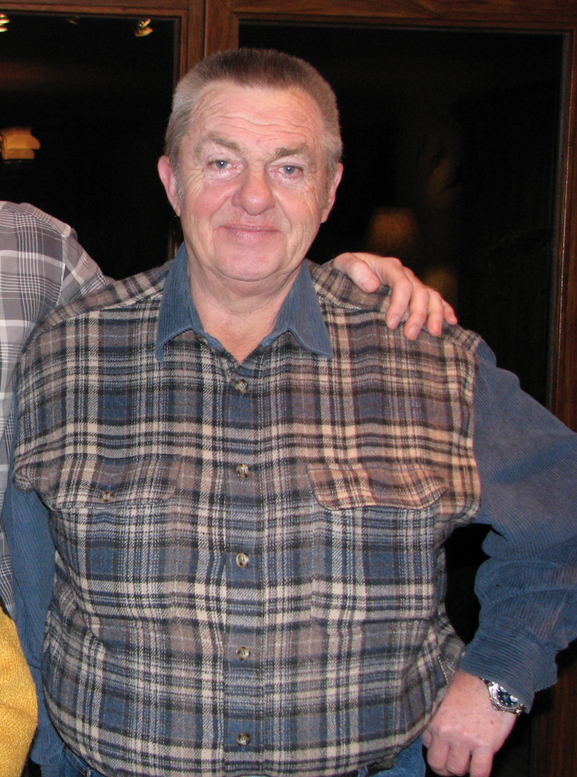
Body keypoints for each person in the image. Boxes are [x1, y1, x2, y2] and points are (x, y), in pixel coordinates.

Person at [4, 48, 576, 777]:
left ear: (329, 191)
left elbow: (565, 514)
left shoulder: (430, 359)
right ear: (172, 180)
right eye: (221, 163)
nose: (253, 197)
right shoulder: (67, 351)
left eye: (289, 167)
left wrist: (497, 675)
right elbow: (31, 575)